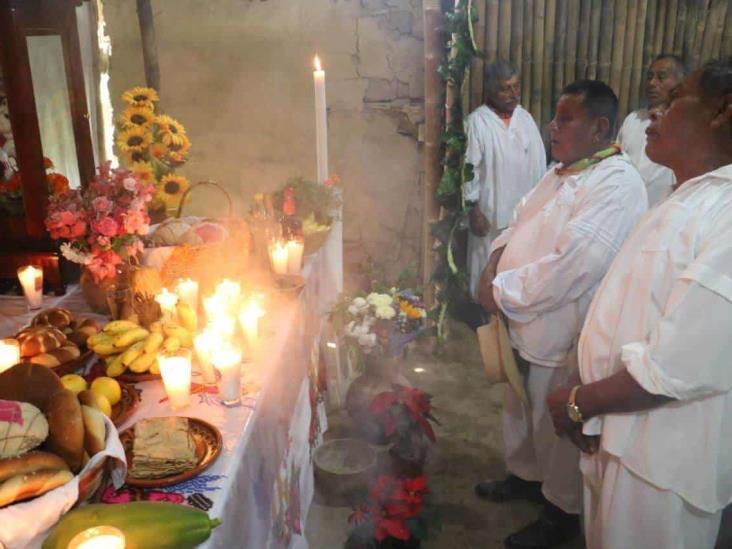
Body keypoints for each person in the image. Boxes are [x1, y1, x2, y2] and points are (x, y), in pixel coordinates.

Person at [547, 58, 732, 549]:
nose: (655, 113)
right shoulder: (686, 198)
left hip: (660, 466)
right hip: (619, 436)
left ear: (722, 111)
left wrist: (577, 402)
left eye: (673, 102)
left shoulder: (727, 213)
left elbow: (679, 364)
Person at [477, 80, 648, 548]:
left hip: (562, 326)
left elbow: (574, 266)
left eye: (565, 118)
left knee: (555, 423)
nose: (553, 126)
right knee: (520, 406)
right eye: (555, 116)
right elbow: (517, 220)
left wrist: (502, 289)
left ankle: (559, 511)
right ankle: (523, 476)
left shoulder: (617, 183)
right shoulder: (560, 171)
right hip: (521, 316)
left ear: (600, 127)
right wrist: (494, 261)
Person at [464, 61, 546, 302]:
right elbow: (470, 169)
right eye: (505, 89)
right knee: (484, 264)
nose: (513, 94)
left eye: (516, 87)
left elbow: (540, 164)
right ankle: (481, 315)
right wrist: (473, 208)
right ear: (490, 90)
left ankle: (508, 314)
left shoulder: (525, 119)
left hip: (523, 216)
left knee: (517, 266)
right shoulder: (477, 122)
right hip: (490, 214)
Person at [617, 54, 685, 206]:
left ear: (680, 83)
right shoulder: (633, 119)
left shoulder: (685, 126)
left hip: (662, 212)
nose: (652, 83)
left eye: (661, 77)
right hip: (624, 207)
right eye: (649, 77)